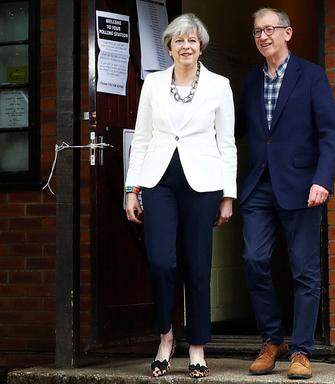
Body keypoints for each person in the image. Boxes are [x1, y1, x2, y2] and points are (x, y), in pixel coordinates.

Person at [123, 13, 236, 379]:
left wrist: (228, 195)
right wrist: (131, 188)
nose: (186, 46)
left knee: (198, 265)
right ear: (169, 47)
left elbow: (227, 143)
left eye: (192, 40)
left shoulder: (219, 85)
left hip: (202, 184)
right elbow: (141, 140)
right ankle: (166, 337)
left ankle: (198, 347)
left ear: (200, 46)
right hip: (159, 182)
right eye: (179, 41)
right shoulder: (153, 85)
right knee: (160, 261)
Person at [238, 7, 335, 380]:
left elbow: (330, 133)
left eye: (269, 29)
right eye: (257, 31)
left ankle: (300, 350)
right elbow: (231, 131)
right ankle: (271, 340)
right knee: (253, 259)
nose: (263, 36)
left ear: (288, 33)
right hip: (258, 186)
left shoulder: (311, 76)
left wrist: (323, 180)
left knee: (304, 271)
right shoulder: (249, 82)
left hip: (302, 187)